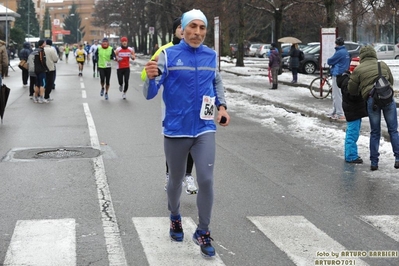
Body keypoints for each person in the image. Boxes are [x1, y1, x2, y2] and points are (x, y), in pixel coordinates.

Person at [143, 9, 230, 257]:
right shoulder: (168, 56)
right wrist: (150, 79)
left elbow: (216, 82)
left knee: (206, 180)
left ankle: (203, 230)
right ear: (183, 28)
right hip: (176, 129)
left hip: (204, 128)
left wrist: (222, 107)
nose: (197, 32)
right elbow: (150, 93)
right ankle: (175, 216)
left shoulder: (211, 56)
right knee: (175, 180)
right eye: (193, 27)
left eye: (202, 28)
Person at [141, 17, 202, 195]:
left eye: (187, 27)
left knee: (192, 140)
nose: (184, 30)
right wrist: (153, 72)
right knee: (175, 142)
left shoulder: (195, 50)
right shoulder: (164, 50)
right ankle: (170, 175)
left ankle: (189, 175)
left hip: (193, 105)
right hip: (173, 107)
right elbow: (146, 76)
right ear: (175, 30)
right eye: (180, 27)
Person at [348, 46, 399, 171]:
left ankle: (374, 162)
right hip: (387, 98)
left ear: (362, 56)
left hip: (372, 101)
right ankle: (398, 158)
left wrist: (362, 88)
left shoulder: (359, 69)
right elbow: (391, 81)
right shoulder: (382, 65)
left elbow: (351, 89)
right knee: (393, 130)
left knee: (375, 132)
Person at [337, 71, 367, 164]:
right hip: (353, 111)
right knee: (352, 134)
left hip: (353, 110)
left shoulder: (346, 80)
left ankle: (351, 154)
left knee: (353, 133)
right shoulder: (348, 82)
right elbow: (352, 96)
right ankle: (350, 156)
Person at [326, 37, 350, 121]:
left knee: (336, 95)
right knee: (337, 94)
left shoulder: (339, 52)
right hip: (343, 74)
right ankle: (335, 111)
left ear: (337, 43)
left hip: (337, 74)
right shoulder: (345, 52)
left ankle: (339, 113)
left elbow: (330, 61)